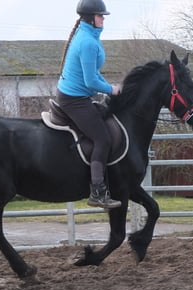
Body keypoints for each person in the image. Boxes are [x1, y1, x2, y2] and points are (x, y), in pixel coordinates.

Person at [56, 0, 121, 209]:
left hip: (79, 96)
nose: (103, 19)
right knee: (102, 139)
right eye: (101, 16)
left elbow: (93, 74)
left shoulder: (88, 37)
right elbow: (90, 81)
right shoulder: (88, 42)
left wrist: (108, 85)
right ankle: (97, 192)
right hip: (74, 100)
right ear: (91, 18)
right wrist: (111, 89)